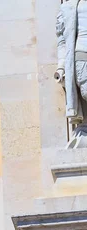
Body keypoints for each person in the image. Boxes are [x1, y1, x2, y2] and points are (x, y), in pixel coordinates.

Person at [56, 0, 87, 148]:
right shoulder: (66, 8)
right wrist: (61, 66)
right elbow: (62, 41)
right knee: (85, 92)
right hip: (81, 54)